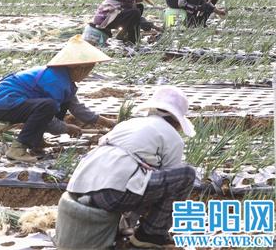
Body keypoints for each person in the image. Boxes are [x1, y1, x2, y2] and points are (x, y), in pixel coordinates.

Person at [64, 85, 196, 248]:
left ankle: (127, 229)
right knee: (186, 175)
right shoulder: (173, 137)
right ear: (177, 120)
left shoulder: (129, 124)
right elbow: (165, 190)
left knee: (140, 178)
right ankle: (151, 235)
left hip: (79, 188)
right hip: (111, 195)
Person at [0, 35, 117, 163]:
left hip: (17, 103)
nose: (87, 75)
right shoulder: (56, 80)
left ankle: (37, 141)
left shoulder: (64, 79)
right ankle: (17, 149)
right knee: (48, 106)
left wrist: (108, 122)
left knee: (61, 102)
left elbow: (77, 108)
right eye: (88, 70)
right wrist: (66, 128)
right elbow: (49, 118)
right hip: (5, 104)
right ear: (78, 68)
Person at [90, 0, 160, 44]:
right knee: (135, 12)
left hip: (110, 15)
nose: (141, 0)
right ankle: (133, 41)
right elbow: (134, 15)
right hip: (104, 19)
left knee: (139, 7)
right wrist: (149, 25)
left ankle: (123, 34)